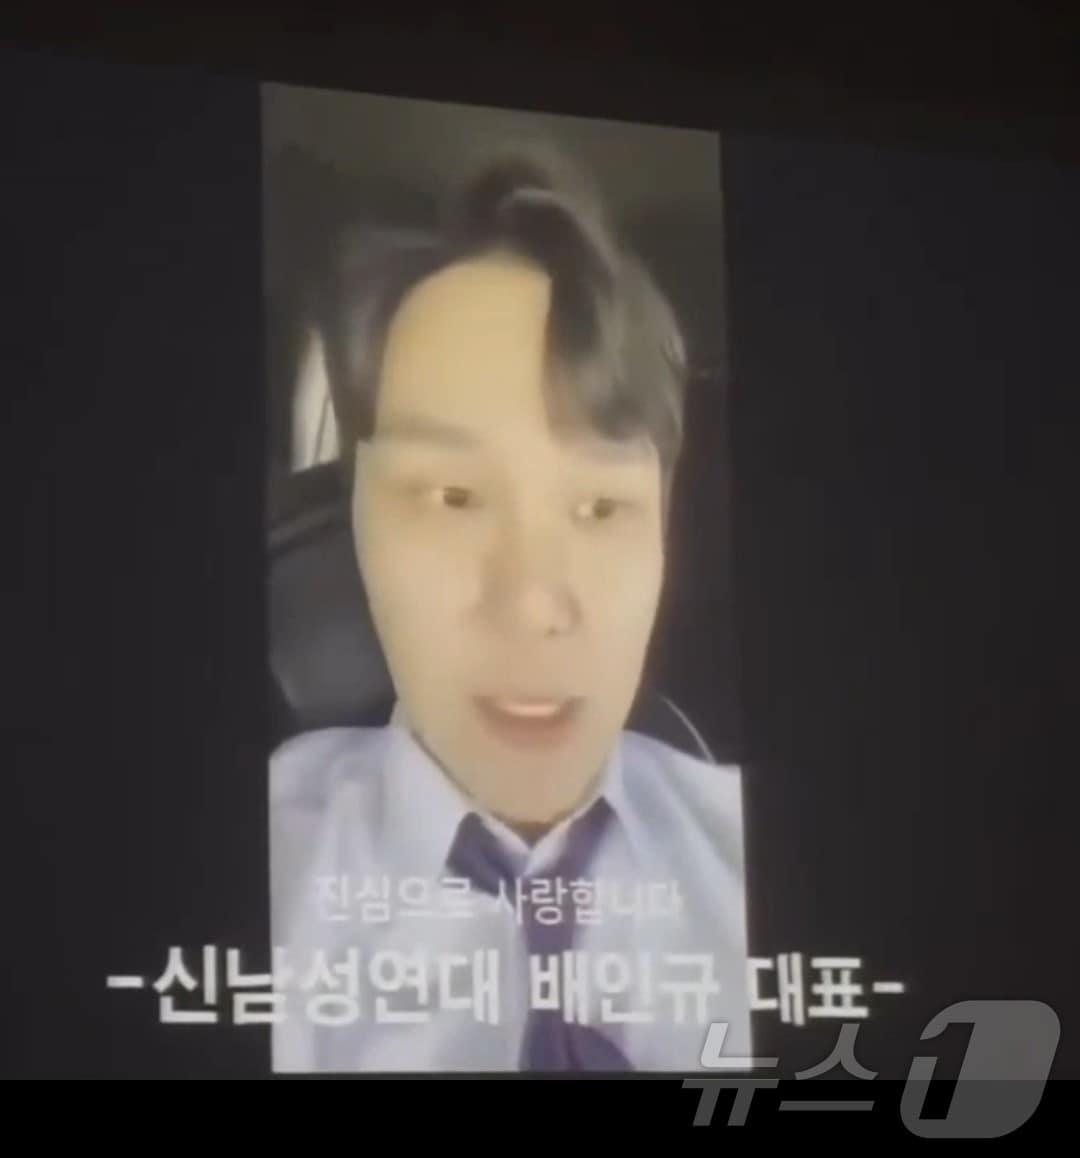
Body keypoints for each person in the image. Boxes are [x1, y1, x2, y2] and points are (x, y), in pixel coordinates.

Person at [269, 147, 752, 1072]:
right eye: (452, 498)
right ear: (355, 524)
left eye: (601, 507)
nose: (533, 606)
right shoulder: (255, 864)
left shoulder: (758, 853)